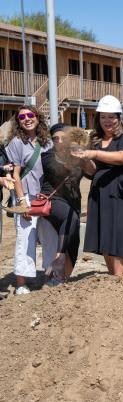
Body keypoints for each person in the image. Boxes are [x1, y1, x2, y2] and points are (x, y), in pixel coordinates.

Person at [79, 95, 123, 276]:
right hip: (100, 191)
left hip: (122, 191)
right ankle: (111, 279)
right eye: (103, 117)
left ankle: (119, 278)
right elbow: (92, 171)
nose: (107, 121)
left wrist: (93, 153)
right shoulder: (95, 140)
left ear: (119, 117)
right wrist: (83, 158)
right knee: (105, 234)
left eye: (111, 117)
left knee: (120, 234)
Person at [5, 106, 53, 295]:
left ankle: (50, 277)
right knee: (25, 239)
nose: (27, 119)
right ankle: (22, 283)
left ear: (37, 117)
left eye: (30, 115)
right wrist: (22, 201)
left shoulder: (48, 142)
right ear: (18, 121)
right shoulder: (16, 142)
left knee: (49, 237)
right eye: (22, 117)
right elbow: (16, 175)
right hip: (26, 197)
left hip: (46, 196)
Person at [39, 123, 91, 285]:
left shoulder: (78, 154)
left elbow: (92, 172)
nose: (60, 141)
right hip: (52, 199)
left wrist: (86, 156)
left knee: (74, 243)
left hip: (74, 202)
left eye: (64, 138)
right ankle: (59, 257)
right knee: (72, 220)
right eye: (56, 138)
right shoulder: (47, 156)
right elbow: (60, 169)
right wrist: (73, 158)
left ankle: (61, 279)